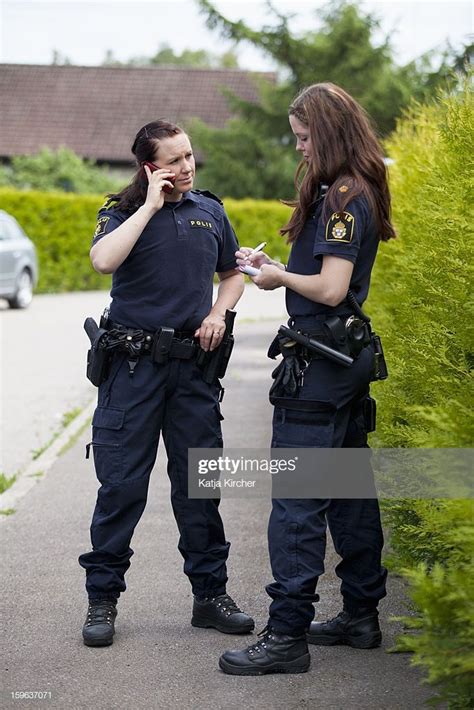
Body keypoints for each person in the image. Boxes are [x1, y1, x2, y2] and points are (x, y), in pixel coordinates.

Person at [219, 83, 395, 675]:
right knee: (348, 489)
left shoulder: (345, 196)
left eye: (302, 137)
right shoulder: (347, 188)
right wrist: (273, 267)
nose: (298, 149)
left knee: (296, 500)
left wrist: (275, 279)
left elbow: (330, 288)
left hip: (322, 365)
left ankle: (287, 636)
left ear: (328, 132)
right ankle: (360, 615)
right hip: (341, 361)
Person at [79, 119, 254, 647]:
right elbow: (102, 260)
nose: (187, 166)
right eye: (174, 160)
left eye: (189, 155)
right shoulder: (120, 212)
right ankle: (102, 600)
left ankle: (210, 596)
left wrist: (219, 313)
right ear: (149, 167)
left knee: (201, 489)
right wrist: (150, 207)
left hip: (192, 372)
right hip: (132, 372)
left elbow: (233, 274)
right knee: (122, 488)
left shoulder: (211, 211)